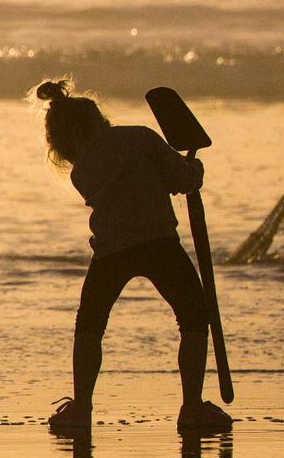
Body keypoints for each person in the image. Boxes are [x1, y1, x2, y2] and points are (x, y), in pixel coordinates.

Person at [32, 79, 232, 436]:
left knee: (90, 324)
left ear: (61, 143)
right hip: (159, 243)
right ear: (99, 118)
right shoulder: (140, 137)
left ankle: (82, 407)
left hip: (111, 250)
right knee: (193, 318)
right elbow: (181, 179)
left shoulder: (82, 172)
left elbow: (132, 183)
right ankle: (191, 405)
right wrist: (194, 172)